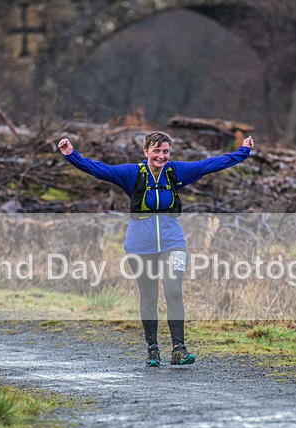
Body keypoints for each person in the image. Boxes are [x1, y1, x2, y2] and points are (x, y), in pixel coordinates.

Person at [58, 131, 254, 367]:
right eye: (156, 151)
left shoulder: (175, 172)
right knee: (149, 296)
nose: (161, 156)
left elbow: (209, 165)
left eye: (165, 151)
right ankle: (153, 350)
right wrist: (71, 155)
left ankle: (179, 349)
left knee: (173, 291)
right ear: (146, 152)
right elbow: (100, 169)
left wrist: (243, 151)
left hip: (173, 242)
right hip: (140, 245)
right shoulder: (133, 174)